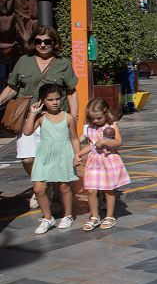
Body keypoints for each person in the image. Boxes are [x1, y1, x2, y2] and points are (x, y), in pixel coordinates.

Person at [0, 25, 79, 197]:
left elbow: (71, 92)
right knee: (27, 158)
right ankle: (43, 183)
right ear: (33, 42)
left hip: (54, 120)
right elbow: (12, 87)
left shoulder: (63, 64)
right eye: (38, 41)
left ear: (54, 43)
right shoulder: (24, 61)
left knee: (55, 159)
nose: (42, 45)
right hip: (28, 118)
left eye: (47, 41)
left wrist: (74, 116)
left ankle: (56, 197)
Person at [23, 84, 82, 234]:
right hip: (44, 155)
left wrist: (77, 155)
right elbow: (27, 132)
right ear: (43, 101)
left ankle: (68, 215)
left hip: (63, 154)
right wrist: (32, 113)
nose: (55, 102)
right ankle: (48, 218)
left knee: (64, 187)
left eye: (57, 99)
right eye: (50, 100)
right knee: (38, 189)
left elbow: (74, 138)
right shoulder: (40, 118)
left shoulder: (68, 117)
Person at [78, 98, 130, 231]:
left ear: (105, 112)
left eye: (98, 118)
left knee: (108, 189)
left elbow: (118, 142)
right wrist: (78, 154)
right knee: (91, 190)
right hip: (94, 162)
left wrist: (105, 142)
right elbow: (91, 145)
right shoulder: (90, 128)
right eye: (92, 118)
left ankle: (109, 216)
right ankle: (95, 216)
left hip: (108, 160)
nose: (95, 121)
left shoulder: (112, 125)